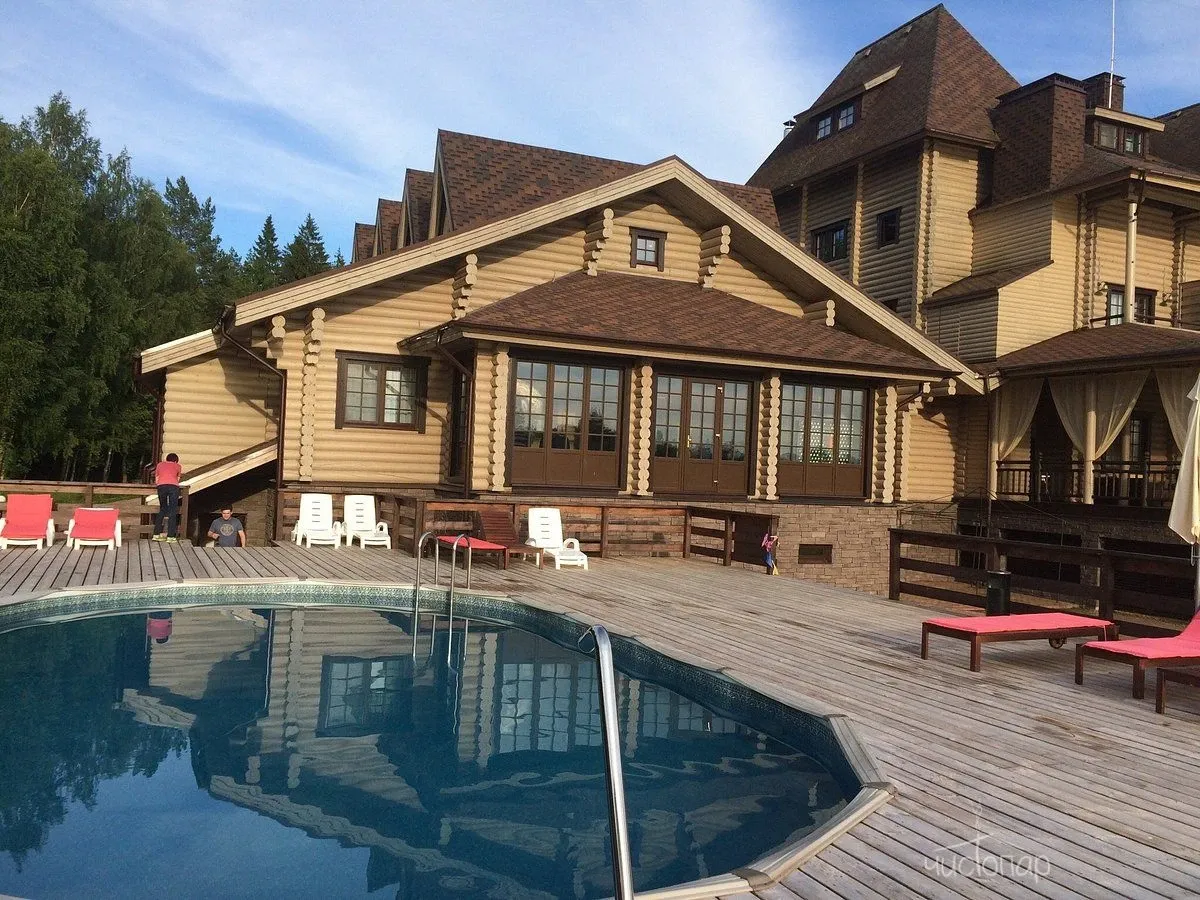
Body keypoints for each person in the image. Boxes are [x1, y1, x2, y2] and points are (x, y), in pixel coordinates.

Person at [152, 453, 182, 542]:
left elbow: (157, 479)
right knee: (172, 510)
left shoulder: (159, 465)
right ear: (175, 461)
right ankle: (170, 536)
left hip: (161, 486)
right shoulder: (178, 466)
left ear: (167, 459)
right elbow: (177, 479)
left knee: (162, 509)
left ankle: (156, 535)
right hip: (173, 487)